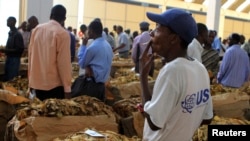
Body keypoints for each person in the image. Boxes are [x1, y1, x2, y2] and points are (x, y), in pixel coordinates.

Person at [138, 8, 213, 141]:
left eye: (158, 28)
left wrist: (143, 77)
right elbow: (207, 118)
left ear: (173, 39)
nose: (151, 33)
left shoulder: (172, 71)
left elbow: (154, 123)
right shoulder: (200, 69)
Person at [28, 4, 72, 101]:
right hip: (54, 86)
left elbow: (31, 56)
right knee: (54, 114)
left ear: (50, 15)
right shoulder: (62, 34)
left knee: (40, 113)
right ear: (64, 19)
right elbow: (63, 63)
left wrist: (30, 81)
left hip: (37, 84)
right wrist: (67, 88)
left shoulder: (36, 30)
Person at [77, 20, 113, 101]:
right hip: (102, 85)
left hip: (93, 86)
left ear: (92, 31)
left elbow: (82, 63)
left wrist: (83, 46)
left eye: (88, 31)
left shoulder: (93, 47)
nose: (87, 33)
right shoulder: (107, 45)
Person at [0, 17, 24, 82]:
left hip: (14, 60)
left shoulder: (17, 34)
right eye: (7, 21)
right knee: (7, 77)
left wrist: (5, 50)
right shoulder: (11, 33)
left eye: (9, 21)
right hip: (9, 58)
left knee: (12, 78)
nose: (7, 22)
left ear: (13, 22)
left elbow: (19, 49)